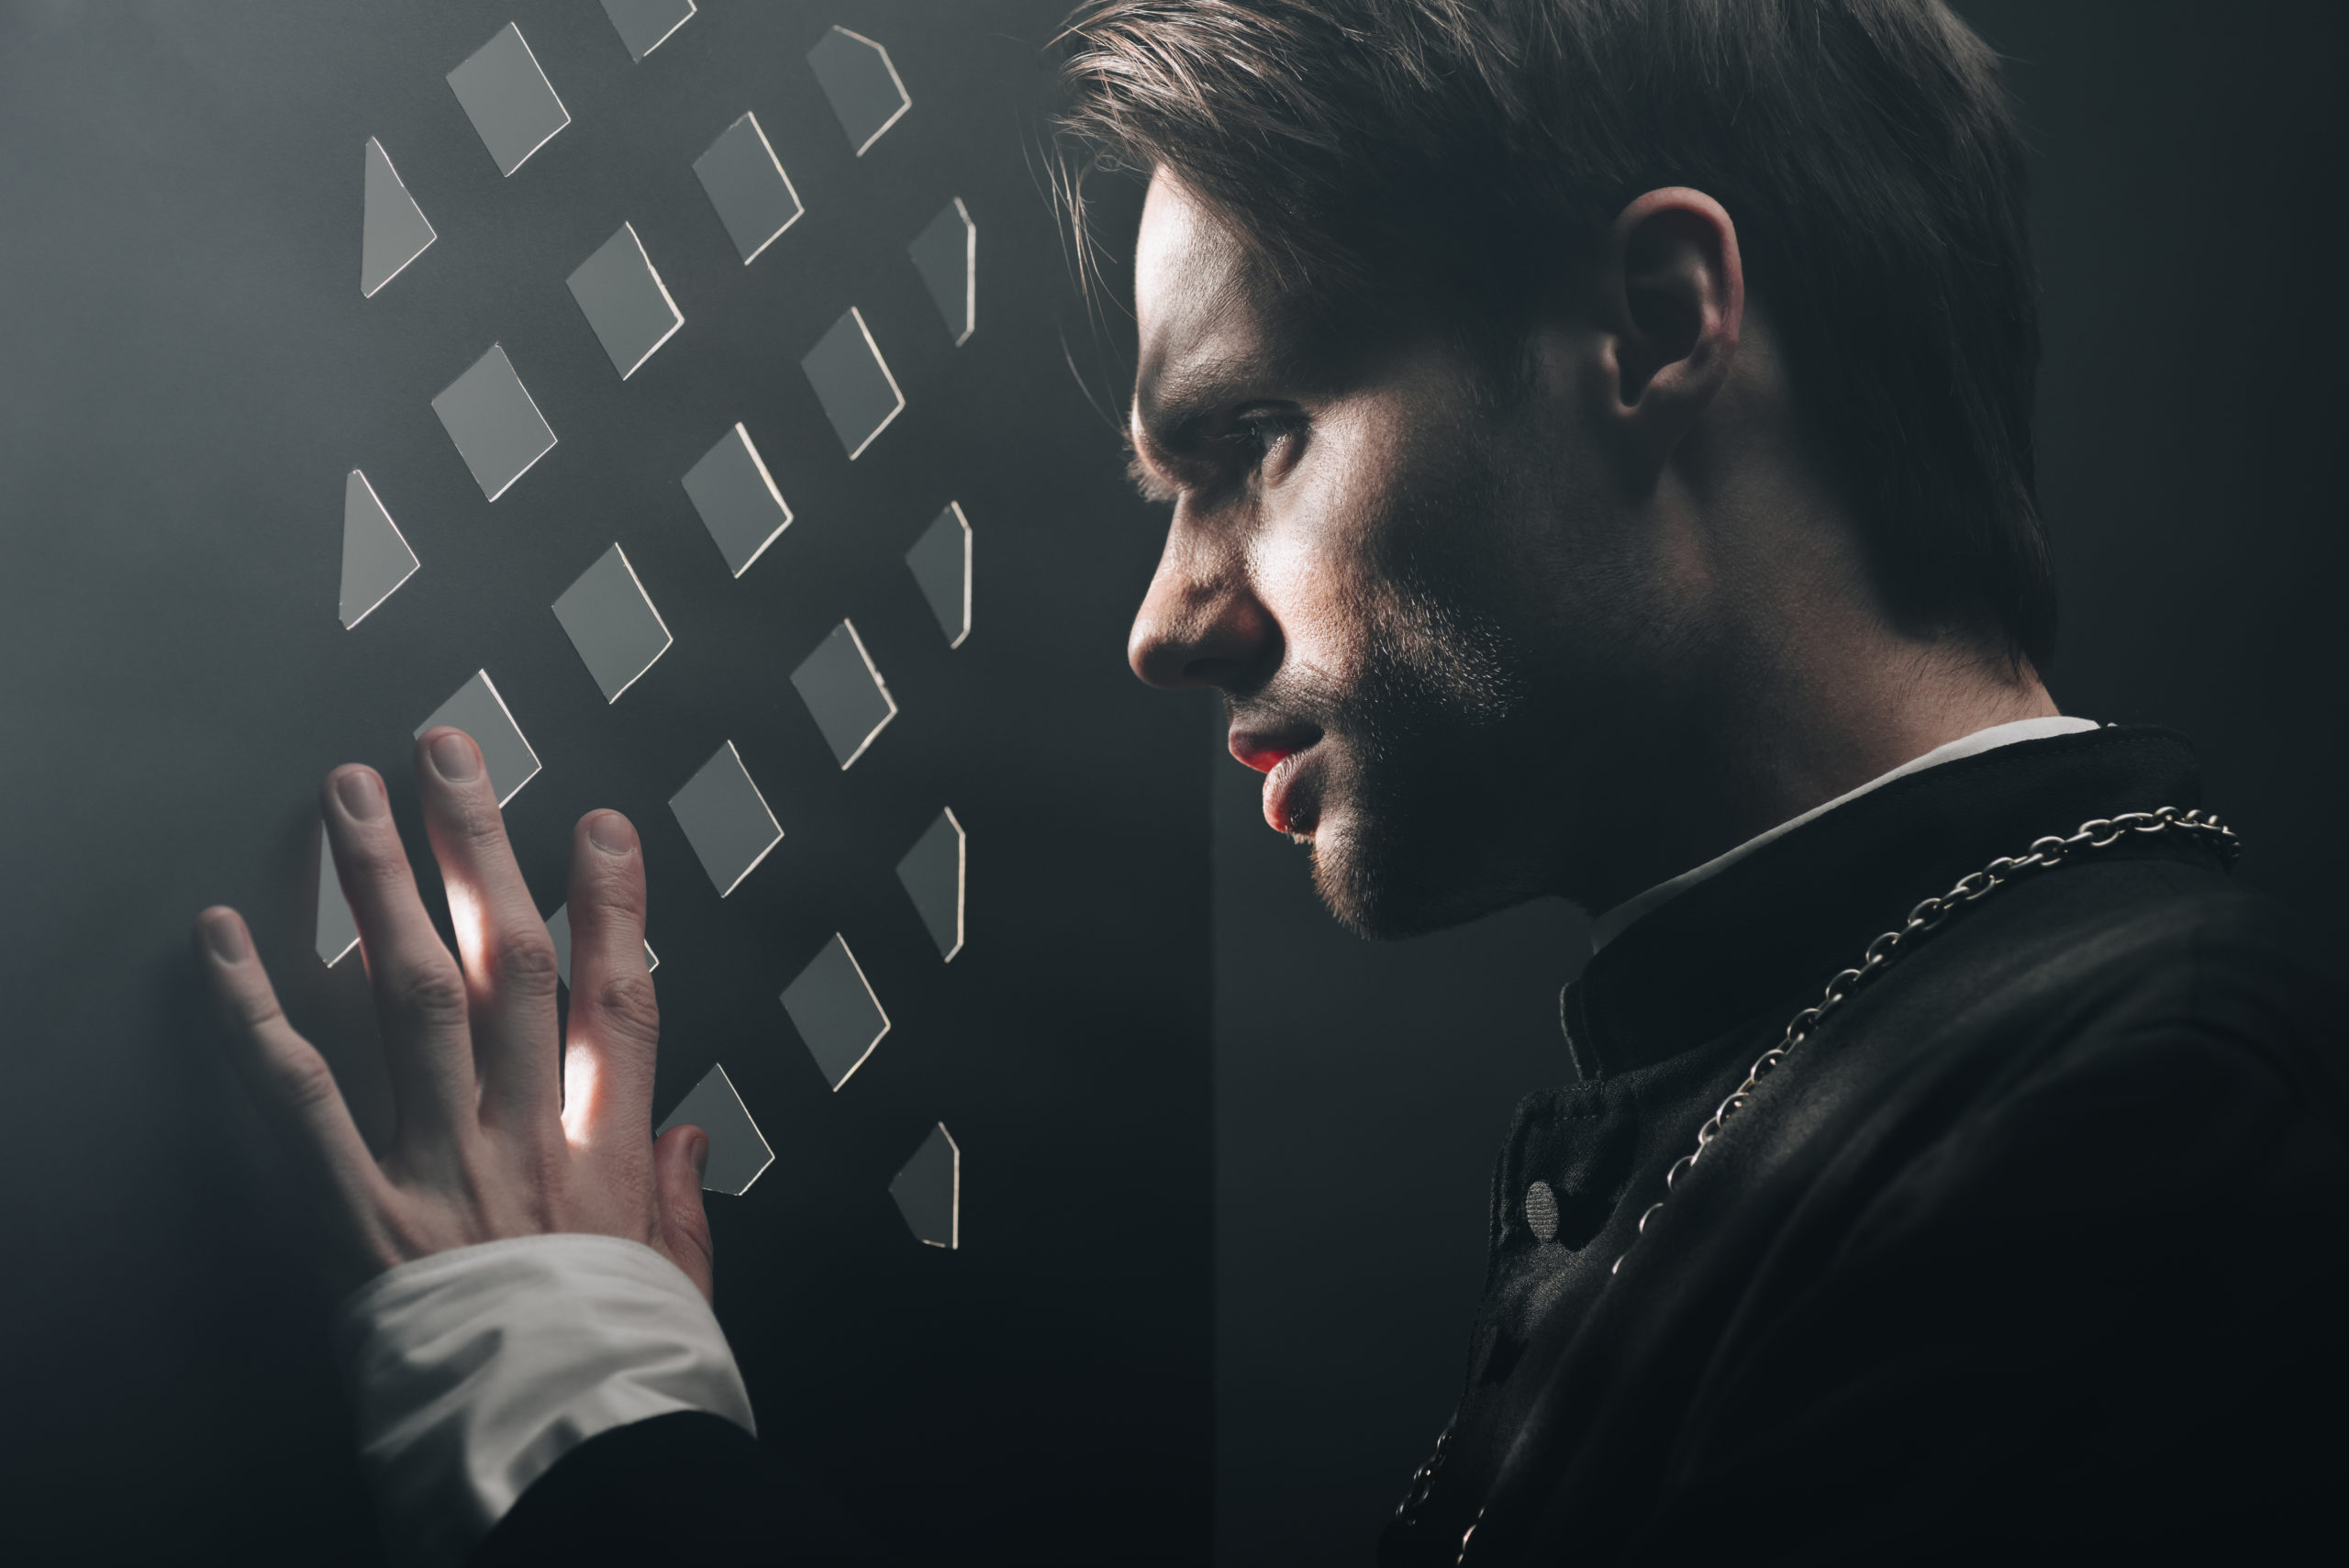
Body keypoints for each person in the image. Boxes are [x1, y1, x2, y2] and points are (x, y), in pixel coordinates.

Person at [194, 1, 2347, 1562]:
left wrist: (581, 1429)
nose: (1159, 618)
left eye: (1244, 443)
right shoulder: (1902, 1053)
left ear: (1655, 319)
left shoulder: (2142, 1131)